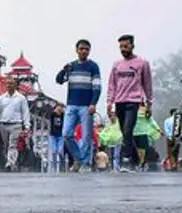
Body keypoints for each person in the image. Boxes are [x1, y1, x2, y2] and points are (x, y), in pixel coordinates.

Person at [107, 34, 153, 172]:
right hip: (119, 101)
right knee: (126, 133)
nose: (123, 49)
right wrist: (109, 102)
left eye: (126, 46)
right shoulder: (117, 65)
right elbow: (111, 85)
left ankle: (126, 161)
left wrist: (149, 103)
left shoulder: (142, 63)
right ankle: (137, 160)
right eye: (121, 46)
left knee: (127, 130)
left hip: (133, 102)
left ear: (132, 45)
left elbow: (147, 84)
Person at [56, 39, 101, 171]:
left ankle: (85, 163)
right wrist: (63, 71)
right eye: (81, 49)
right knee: (66, 134)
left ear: (89, 51)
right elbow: (59, 81)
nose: (83, 51)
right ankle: (78, 159)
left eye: (86, 49)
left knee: (87, 136)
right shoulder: (71, 66)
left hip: (86, 106)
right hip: (71, 105)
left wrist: (93, 103)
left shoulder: (93, 66)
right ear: (76, 50)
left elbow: (97, 87)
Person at [0, 77, 30, 171]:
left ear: (16, 85)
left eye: (11, 83)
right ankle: (11, 161)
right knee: (6, 144)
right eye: (7, 84)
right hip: (3, 124)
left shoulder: (21, 98)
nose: (8, 85)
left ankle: (10, 163)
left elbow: (25, 112)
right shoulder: (1, 98)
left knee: (13, 144)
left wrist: (27, 125)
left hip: (16, 124)